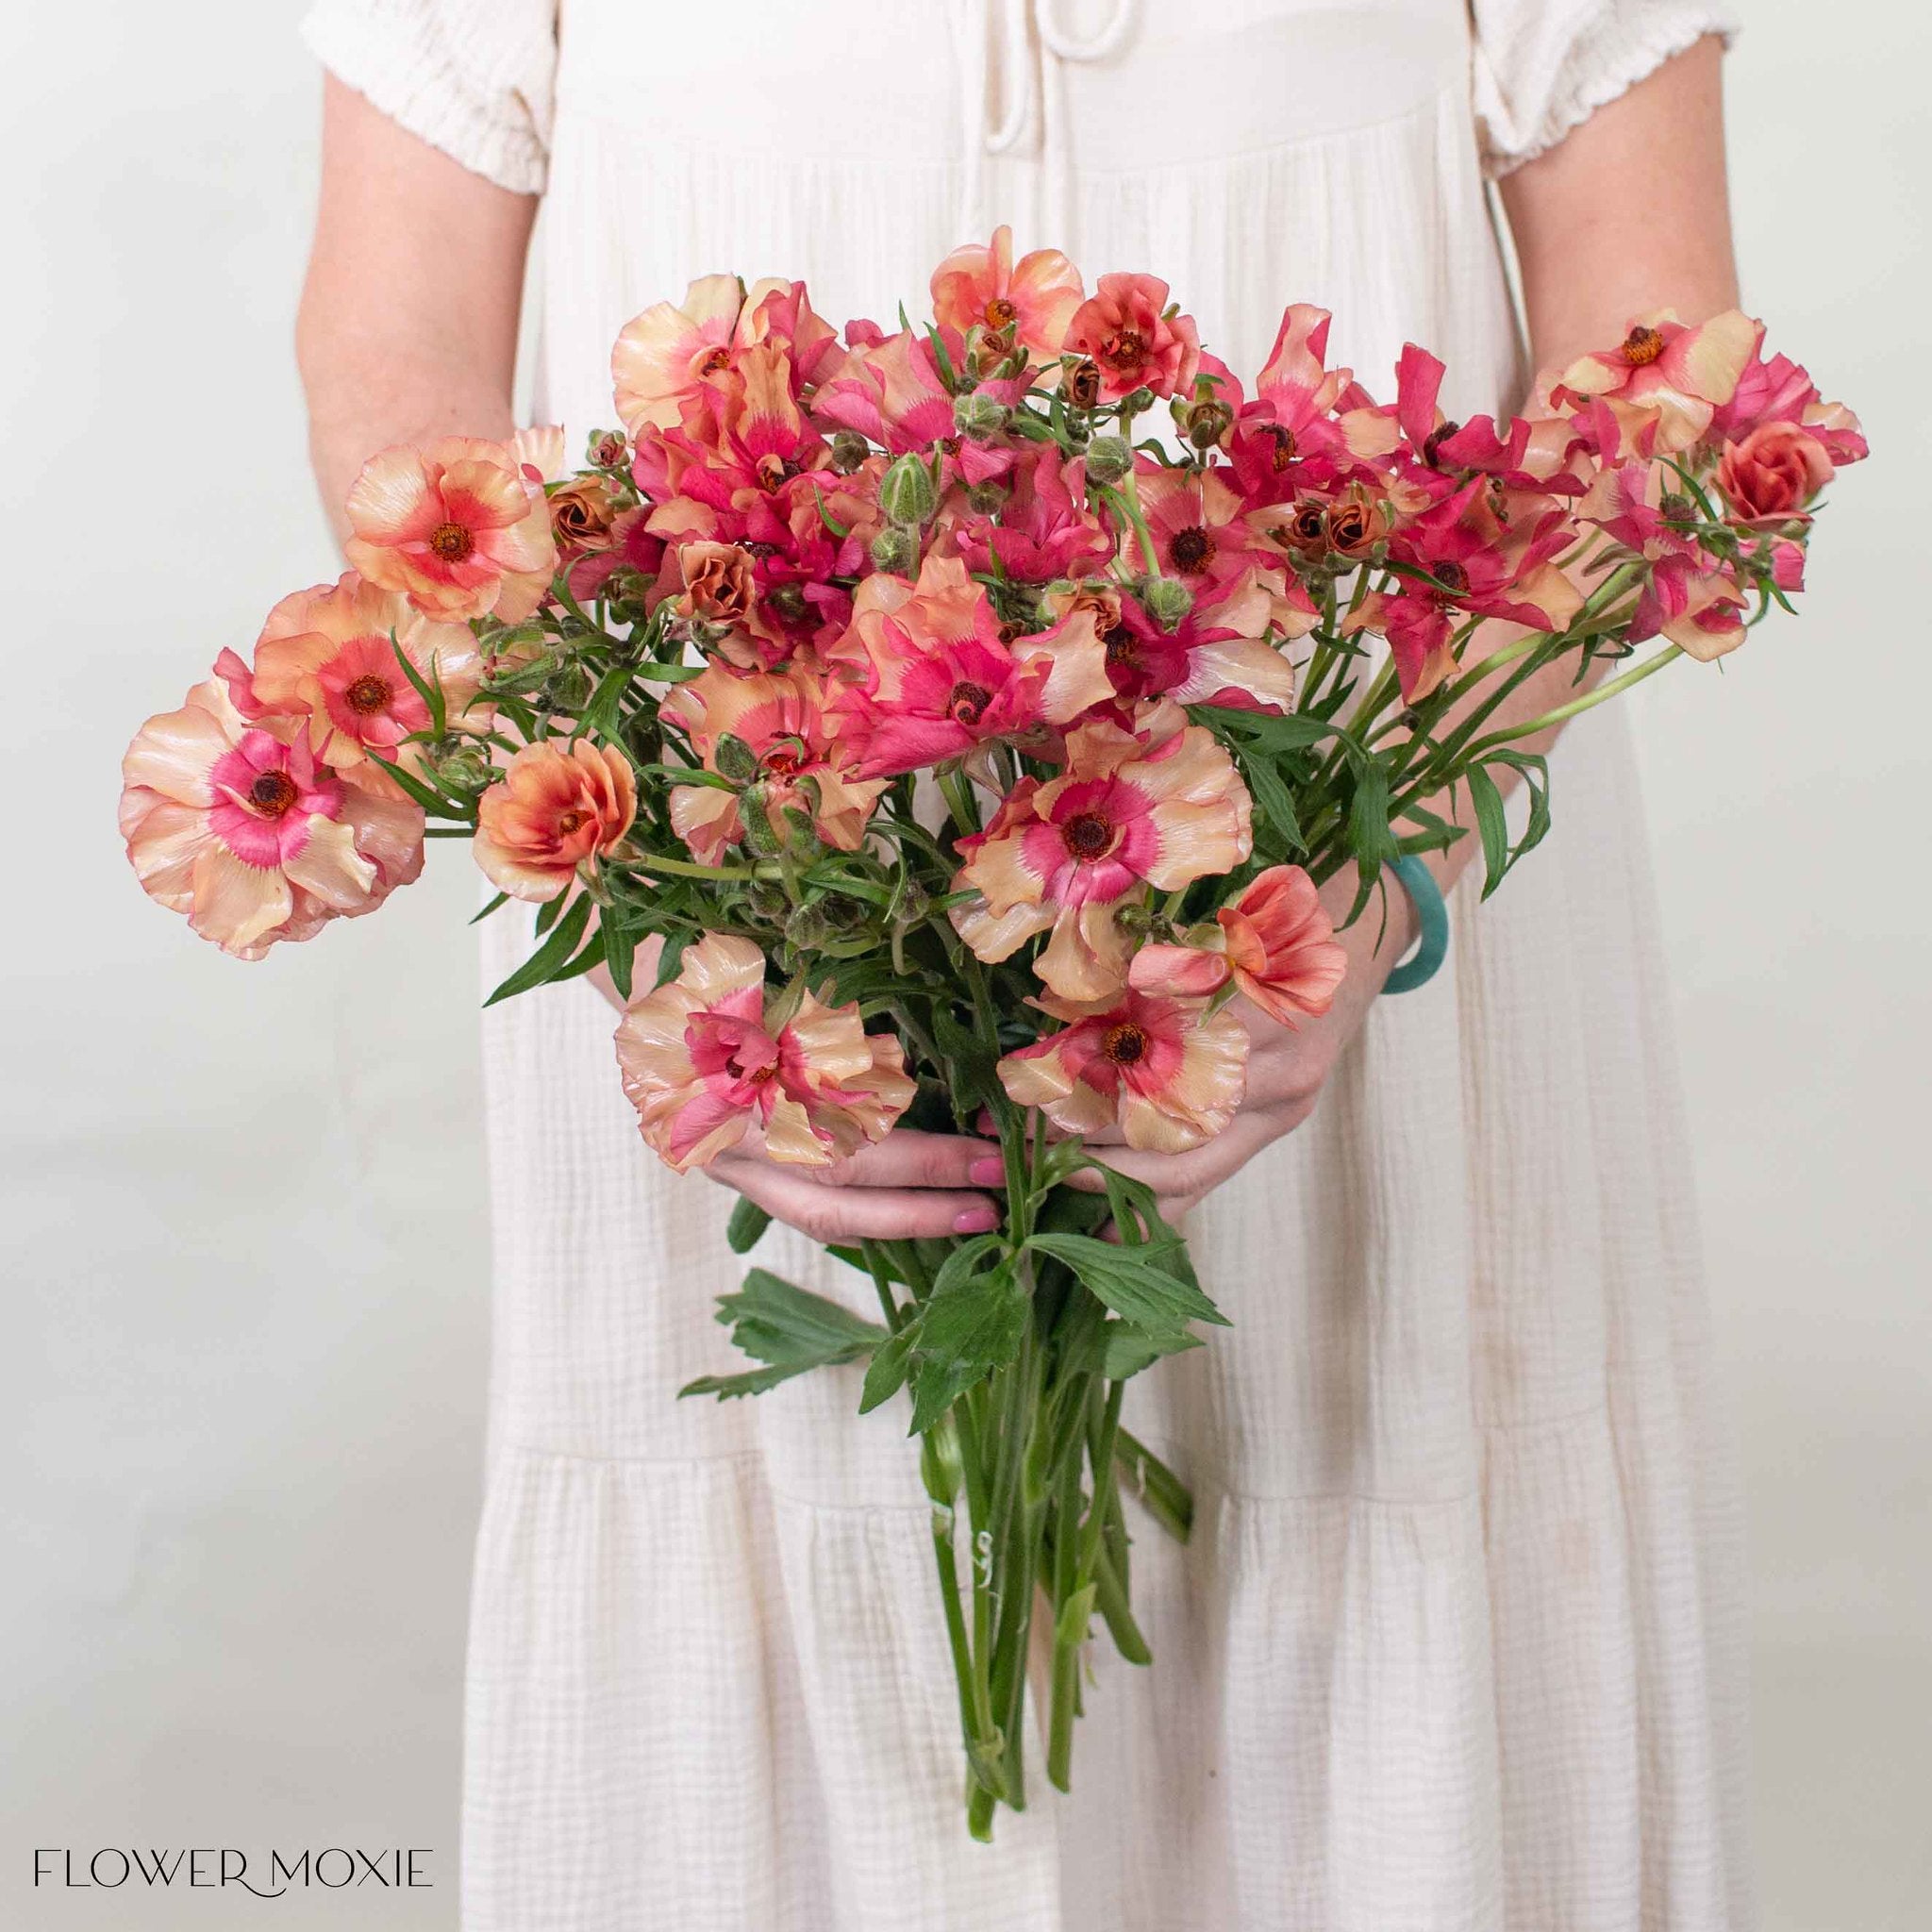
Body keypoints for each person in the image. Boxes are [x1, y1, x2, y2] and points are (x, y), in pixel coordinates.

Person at [296, 3, 1750, 1925]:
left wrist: (1375, 874)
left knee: (1349, 1478)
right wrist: (664, 908)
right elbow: (398, 355)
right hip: (746, 885)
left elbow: (1647, 352)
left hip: (1370, 848)